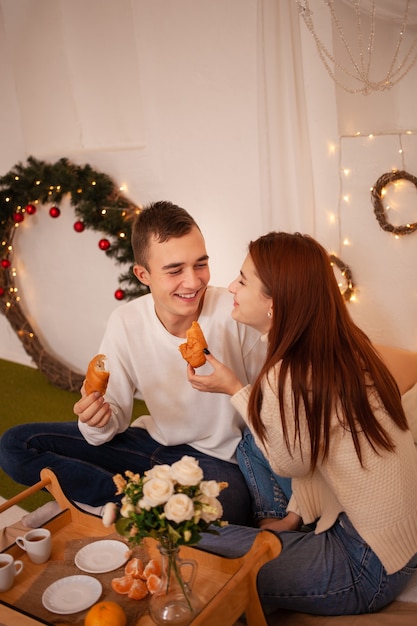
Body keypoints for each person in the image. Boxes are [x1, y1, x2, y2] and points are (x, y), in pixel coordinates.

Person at [188, 231, 417, 615]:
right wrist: (294, 514)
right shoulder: (339, 342)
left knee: (194, 546)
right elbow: (312, 447)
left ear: (275, 302)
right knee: (250, 443)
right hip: (398, 538)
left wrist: (235, 390)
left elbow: (289, 462)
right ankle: (285, 521)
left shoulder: (291, 371)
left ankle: (284, 536)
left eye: (243, 281)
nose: (231, 286)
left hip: (368, 565)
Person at [0, 201, 266, 527]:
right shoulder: (126, 322)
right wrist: (96, 420)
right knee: (15, 446)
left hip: (217, 460)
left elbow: (275, 409)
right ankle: (132, 501)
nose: (194, 281)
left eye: (201, 264)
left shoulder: (235, 312)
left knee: (223, 512)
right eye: (174, 270)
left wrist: (235, 389)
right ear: (143, 274)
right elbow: (110, 424)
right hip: (149, 445)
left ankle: (139, 507)